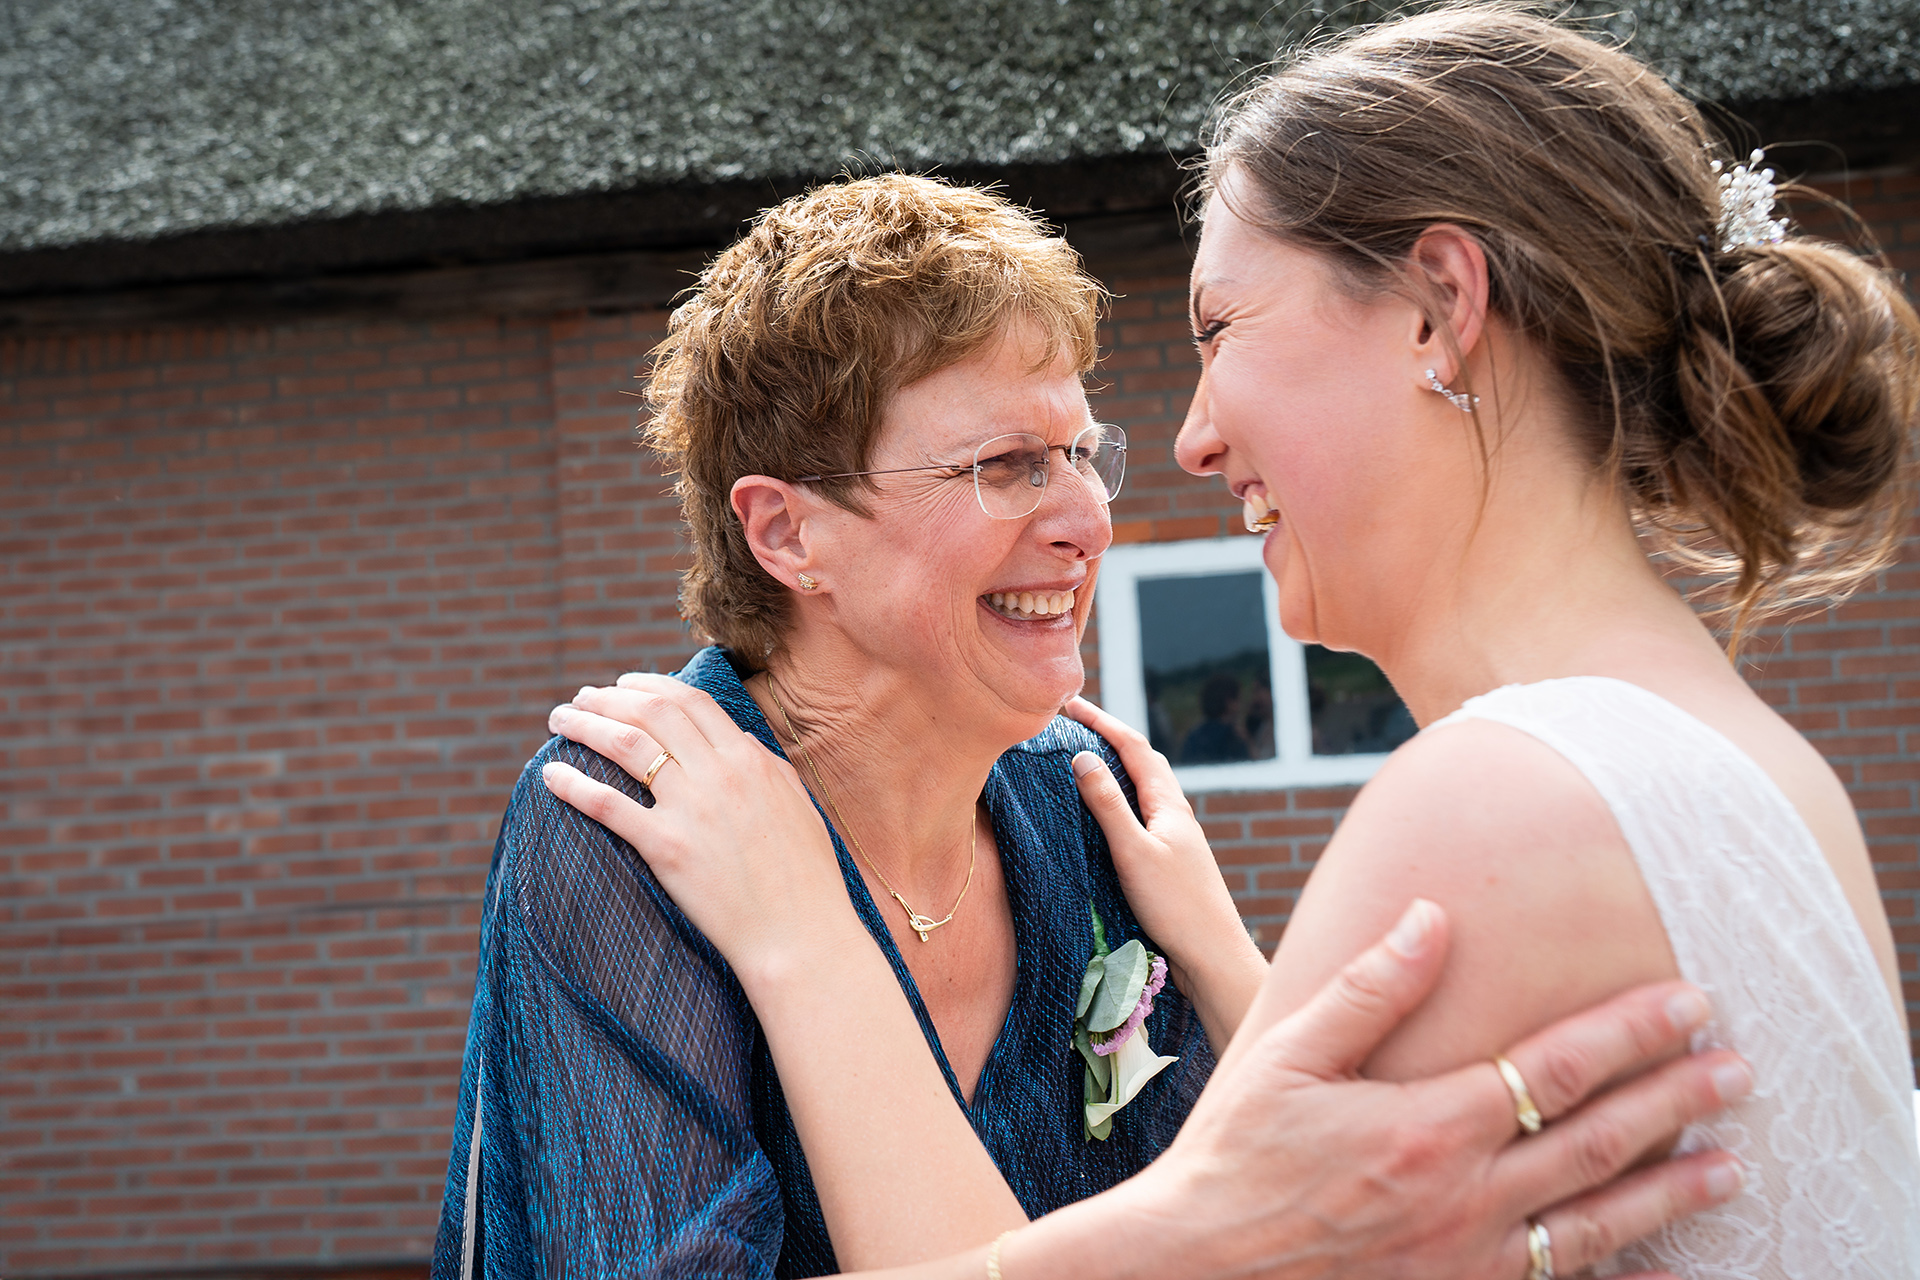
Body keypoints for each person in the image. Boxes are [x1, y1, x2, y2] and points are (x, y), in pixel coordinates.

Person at [529, 5, 1920, 1277]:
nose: (1183, 444)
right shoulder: (1766, 767)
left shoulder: (1500, 804)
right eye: (1006, 463)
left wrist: (806, 943)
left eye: (1218, 328)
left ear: (1440, 307)